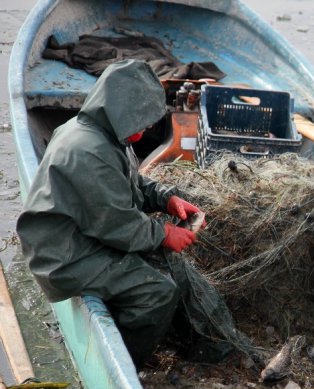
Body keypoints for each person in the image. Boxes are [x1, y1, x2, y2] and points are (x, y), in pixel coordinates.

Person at [16, 59, 206, 367]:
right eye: (142, 122)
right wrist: (165, 234)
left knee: (161, 271)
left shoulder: (102, 132)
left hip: (80, 233)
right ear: (121, 111)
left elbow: (129, 183)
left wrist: (165, 199)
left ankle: (129, 327)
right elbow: (117, 225)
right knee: (156, 290)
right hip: (62, 255)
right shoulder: (89, 151)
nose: (146, 129)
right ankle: (127, 365)